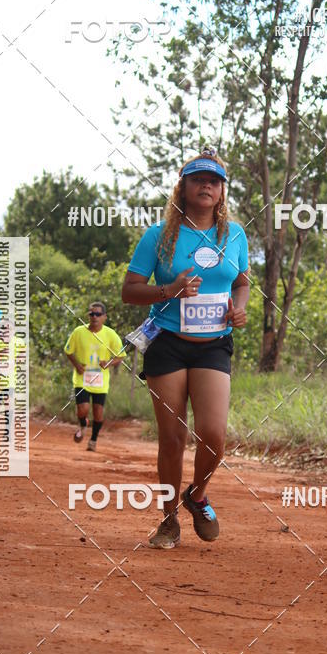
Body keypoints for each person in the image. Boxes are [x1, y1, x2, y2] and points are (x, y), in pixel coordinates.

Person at [121, 147, 250, 549]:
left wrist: (240, 309)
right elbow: (129, 291)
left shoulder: (235, 235)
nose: (206, 186)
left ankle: (197, 495)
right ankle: (168, 519)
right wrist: (169, 289)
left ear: (222, 191)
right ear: (184, 187)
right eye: (198, 180)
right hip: (168, 343)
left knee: (213, 435)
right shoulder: (158, 237)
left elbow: (242, 280)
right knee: (173, 437)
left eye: (214, 181)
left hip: (213, 345)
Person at [64, 301, 124, 452]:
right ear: (88, 316)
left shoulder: (111, 334)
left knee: (98, 412)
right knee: (82, 409)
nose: (94, 317)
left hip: (100, 381)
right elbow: (68, 351)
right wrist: (77, 365)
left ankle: (93, 440)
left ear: (104, 317)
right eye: (92, 314)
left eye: (98, 314)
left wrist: (109, 363)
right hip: (82, 378)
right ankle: (83, 425)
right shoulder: (79, 332)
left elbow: (121, 356)